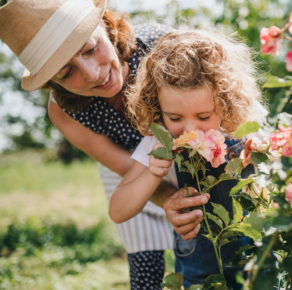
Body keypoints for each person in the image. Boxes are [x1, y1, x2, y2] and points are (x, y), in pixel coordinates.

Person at [0, 0, 209, 289]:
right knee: (144, 268)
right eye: (65, 73)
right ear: (52, 82)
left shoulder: (162, 51)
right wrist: (167, 199)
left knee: (204, 250)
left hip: (188, 153)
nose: (92, 74)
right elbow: (123, 165)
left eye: (89, 49)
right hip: (127, 168)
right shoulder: (64, 112)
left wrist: (183, 201)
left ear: (106, 26)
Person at [109, 30, 265, 288]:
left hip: (252, 256)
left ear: (225, 102)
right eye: (175, 118)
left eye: (203, 117)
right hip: (198, 265)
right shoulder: (159, 142)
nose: (190, 129)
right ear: (158, 108)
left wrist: (261, 153)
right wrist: (153, 172)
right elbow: (118, 210)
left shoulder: (238, 127)